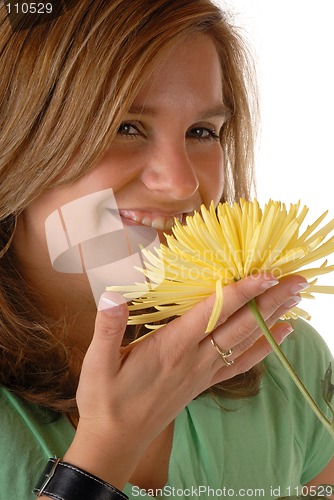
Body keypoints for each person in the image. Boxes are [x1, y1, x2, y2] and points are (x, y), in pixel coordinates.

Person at [0, 1, 333, 499]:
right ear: (18, 138)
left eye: (202, 132)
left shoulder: (282, 355)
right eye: (125, 126)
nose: (180, 185)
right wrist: (109, 446)